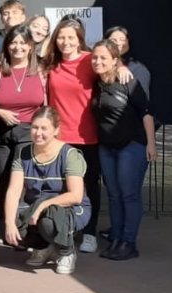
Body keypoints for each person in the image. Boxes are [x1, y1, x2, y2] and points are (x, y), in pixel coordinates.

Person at [44, 17, 130, 253]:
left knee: (89, 187)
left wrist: (120, 66)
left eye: (71, 37)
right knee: (61, 189)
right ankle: (64, 231)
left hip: (87, 137)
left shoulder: (89, 61)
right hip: (59, 139)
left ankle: (90, 232)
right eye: (61, 37)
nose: (65, 42)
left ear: (80, 39)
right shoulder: (51, 63)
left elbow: (108, 66)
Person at [3, 106, 91, 275]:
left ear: (56, 130)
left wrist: (43, 206)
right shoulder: (23, 154)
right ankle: (44, 247)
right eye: (35, 127)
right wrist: (8, 223)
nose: (38, 133)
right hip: (36, 205)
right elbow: (13, 191)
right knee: (12, 221)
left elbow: (76, 195)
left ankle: (67, 251)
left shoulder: (69, 154)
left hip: (68, 208)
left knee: (49, 221)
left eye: (44, 128)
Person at [92, 39, 155, 261]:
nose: (98, 61)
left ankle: (129, 242)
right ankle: (117, 239)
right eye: (95, 57)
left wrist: (151, 143)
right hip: (107, 147)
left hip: (131, 145)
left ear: (115, 60)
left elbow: (145, 112)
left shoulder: (128, 80)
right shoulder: (96, 84)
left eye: (103, 58)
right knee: (114, 195)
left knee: (129, 195)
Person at [0, 25, 46, 195]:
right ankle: (4, 218)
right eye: (13, 42)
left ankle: (20, 218)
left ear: (30, 46)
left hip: (30, 132)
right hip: (1, 132)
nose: (18, 47)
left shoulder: (42, 71)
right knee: (0, 177)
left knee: (21, 177)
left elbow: (49, 104)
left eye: (23, 43)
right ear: (7, 46)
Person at [105, 26, 151, 98]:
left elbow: (141, 100)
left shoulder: (138, 68)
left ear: (129, 42)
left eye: (122, 40)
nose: (118, 43)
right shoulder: (101, 65)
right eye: (113, 40)